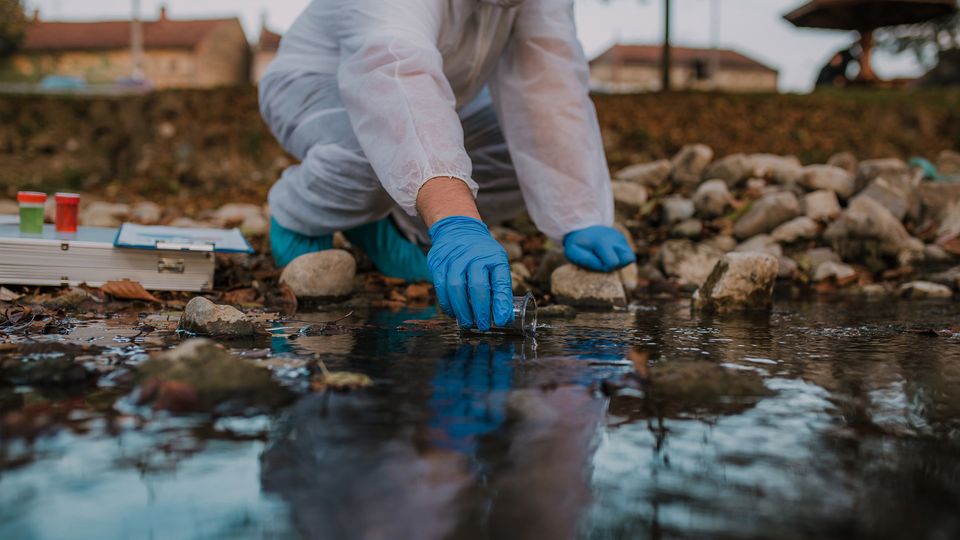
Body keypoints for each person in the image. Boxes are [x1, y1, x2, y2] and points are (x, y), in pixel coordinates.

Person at [260, 0, 635, 331]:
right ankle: (299, 216)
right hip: (316, 87)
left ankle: (390, 223)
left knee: (518, 152)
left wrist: (579, 214)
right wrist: (456, 219)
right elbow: (394, 75)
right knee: (376, 152)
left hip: (446, 94)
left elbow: (548, 86)